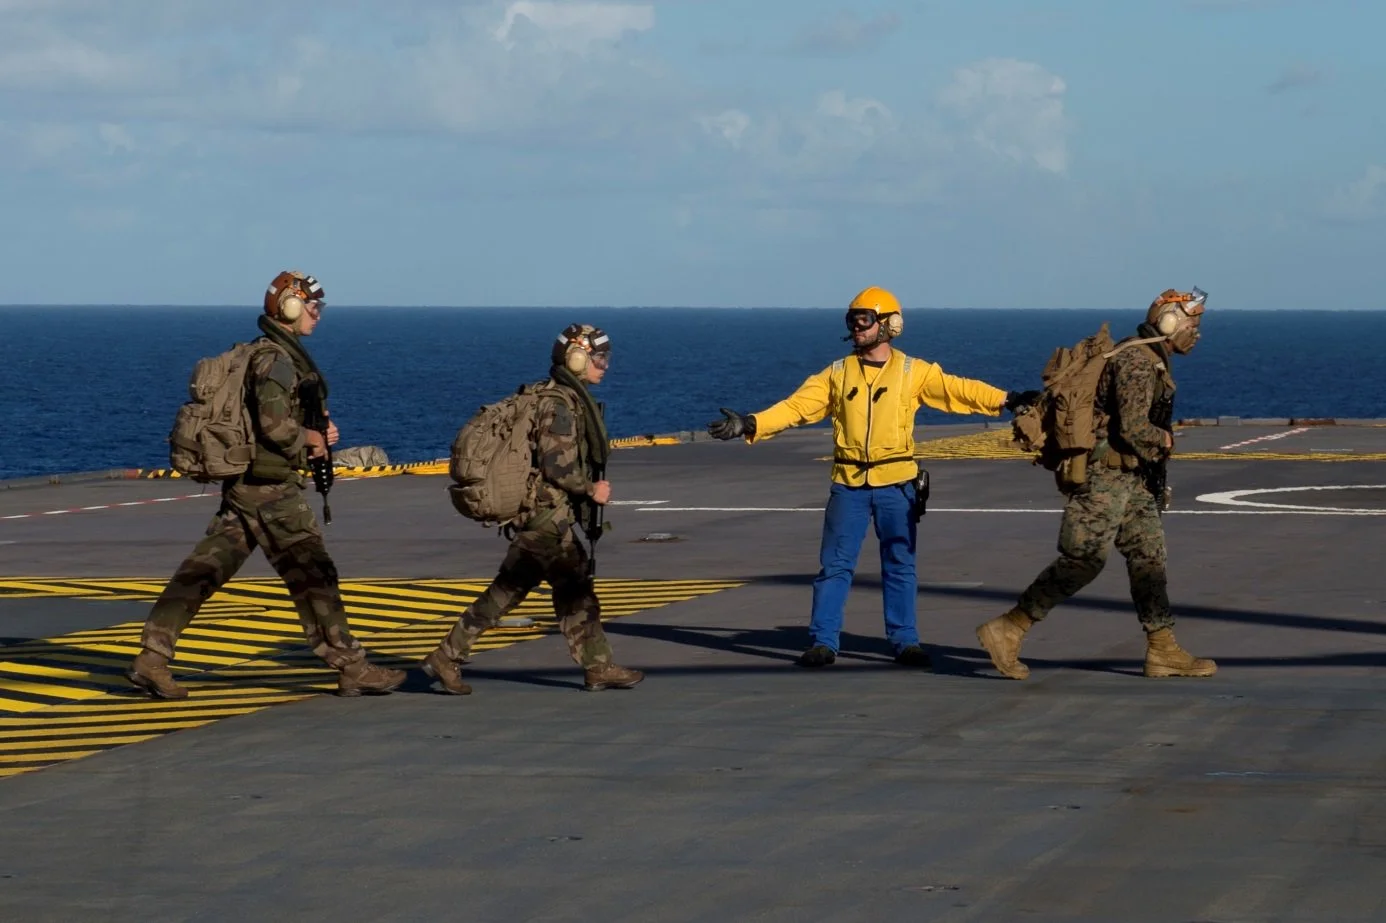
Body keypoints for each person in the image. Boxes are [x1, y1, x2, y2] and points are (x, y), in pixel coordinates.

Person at [707, 287, 1036, 668]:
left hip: (897, 485)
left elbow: (958, 390)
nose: (856, 328)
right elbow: (797, 407)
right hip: (849, 485)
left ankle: (905, 641)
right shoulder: (836, 373)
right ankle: (823, 642)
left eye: (864, 320)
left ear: (889, 324)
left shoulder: (915, 373)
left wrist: (1007, 399)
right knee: (834, 566)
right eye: (852, 320)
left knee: (900, 565)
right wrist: (752, 423)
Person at [127, 271, 407, 699]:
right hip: (271, 489)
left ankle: (151, 658)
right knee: (315, 575)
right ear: (290, 307)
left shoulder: (262, 353)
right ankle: (351, 665)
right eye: (313, 306)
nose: (318, 314)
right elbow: (275, 428)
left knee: (203, 571)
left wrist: (316, 428)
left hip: (246, 487)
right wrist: (311, 439)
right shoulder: (276, 360)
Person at [975, 287, 1217, 680]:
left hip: (1130, 479)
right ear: (1168, 320)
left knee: (1149, 556)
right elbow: (1135, 428)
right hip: (1104, 476)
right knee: (1083, 560)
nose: (1196, 331)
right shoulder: (1138, 361)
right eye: (1191, 322)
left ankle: (1162, 648)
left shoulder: (1148, 356)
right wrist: (1164, 440)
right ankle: (1009, 628)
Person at [421, 324, 645, 694]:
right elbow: (559, 467)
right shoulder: (558, 405)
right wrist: (592, 489)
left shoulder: (559, 397)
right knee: (508, 593)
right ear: (575, 358)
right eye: (598, 358)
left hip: (547, 517)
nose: (605, 365)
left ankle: (598, 666)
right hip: (546, 519)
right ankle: (446, 656)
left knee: (574, 590)